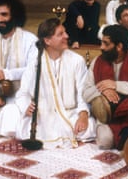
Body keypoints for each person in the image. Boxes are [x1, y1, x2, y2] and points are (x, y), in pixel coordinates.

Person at [11, 18, 95, 148]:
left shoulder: (77, 60)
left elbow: (82, 92)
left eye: (65, 32)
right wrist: (26, 107)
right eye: (60, 34)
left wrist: (83, 115)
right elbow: (23, 93)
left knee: (87, 128)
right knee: (11, 116)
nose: (67, 36)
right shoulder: (36, 62)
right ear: (47, 40)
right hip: (43, 115)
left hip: (70, 113)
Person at [83, 24, 128, 149]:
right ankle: (127, 132)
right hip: (105, 116)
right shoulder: (97, 62)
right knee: (105, 142)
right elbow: (85, 92)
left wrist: (117, 85)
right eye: (102, 42)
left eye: (106, 44)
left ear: (119, 47)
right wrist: (103, 89)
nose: (101, 47)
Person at [0, 0, 38, 137]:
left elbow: (34, 70)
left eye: (4, 14)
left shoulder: (30, 40)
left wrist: (7, 74)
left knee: (15, 119)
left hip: (24, 96)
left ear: (15, 16)